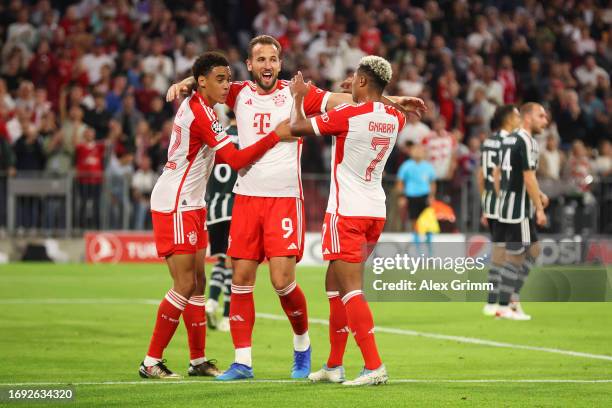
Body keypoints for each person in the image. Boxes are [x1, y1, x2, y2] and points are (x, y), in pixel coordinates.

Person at [167, 35, 424, 381]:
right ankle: (243, 362)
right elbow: (207, 86)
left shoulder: (298, 91)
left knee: (282, 281)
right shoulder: (237, 92)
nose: (267, 65)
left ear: (280, 61)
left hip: (285, 199)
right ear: (249, 64)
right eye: (260, 59)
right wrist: (186, 80)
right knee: (241, 279)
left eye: (273, 59)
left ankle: (302, 345)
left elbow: (352, 98)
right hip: (246, 198)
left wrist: (392, 98)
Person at [139, 51, 296, 379]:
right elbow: (235, 161)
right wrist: (275, 136)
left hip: (193, 203)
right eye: (220, 79)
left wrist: (185, 81)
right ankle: (151, 361)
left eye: (228, 78)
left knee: (198, 284)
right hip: (176, 202)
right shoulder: (201, 113)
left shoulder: (203, 105)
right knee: (184, 284)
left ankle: (197, 360)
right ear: (203, 82)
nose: (227, 86)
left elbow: (202, 84)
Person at [288, 56, 419, 385]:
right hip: (375, 210)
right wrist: (384, 95)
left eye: (355, 79)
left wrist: (299, 98)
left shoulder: (347, 115)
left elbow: (297, 127)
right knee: (333, 287)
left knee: (350, 291)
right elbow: (380, 101)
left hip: (346, 211)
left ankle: (374, 365)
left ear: (361, 82)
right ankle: (334, 365)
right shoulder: (395, 118)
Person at [495, 103, 549, 320]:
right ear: (528, 118)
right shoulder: (527, 141)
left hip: (508, 206)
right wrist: (539, 208)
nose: (545, 121)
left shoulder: (509, 139)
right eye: (541, 116)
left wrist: (503, 197)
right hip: (519, 210)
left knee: (533, 251)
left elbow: (498, 173)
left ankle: (510, 300)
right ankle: (506, 305)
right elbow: (528, 177)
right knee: (518, 256)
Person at [476, 104, 521, 316]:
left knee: (499, 252)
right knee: (513, 252)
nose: (519, 119)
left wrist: (485, 203)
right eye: (517, 116)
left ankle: (493, 301)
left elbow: (480, 174)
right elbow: (497, 174)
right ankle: (504, 302)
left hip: (491, 204)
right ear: (508, 119)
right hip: (505, 204)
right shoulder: (507, 142)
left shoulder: (488, 142)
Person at [205, 112, 239, 332]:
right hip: (235, 207)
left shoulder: (219, 138)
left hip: (214, 209)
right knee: (234, 263)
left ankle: (212, 301)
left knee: (220, 260)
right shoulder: (244, 139)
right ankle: (227, 315)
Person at [396, 144, 436, 230]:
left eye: (420, 150)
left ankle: (426, 238)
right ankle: (416, 238)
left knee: (427, 217)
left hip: (425, 195)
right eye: (416, 149)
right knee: (413, 219)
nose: (418, 152)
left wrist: (431, 196)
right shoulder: (406, 165)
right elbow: (400, 182)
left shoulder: (428, 166)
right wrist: (402, 196)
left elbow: (432, 183)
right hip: (411, 195)